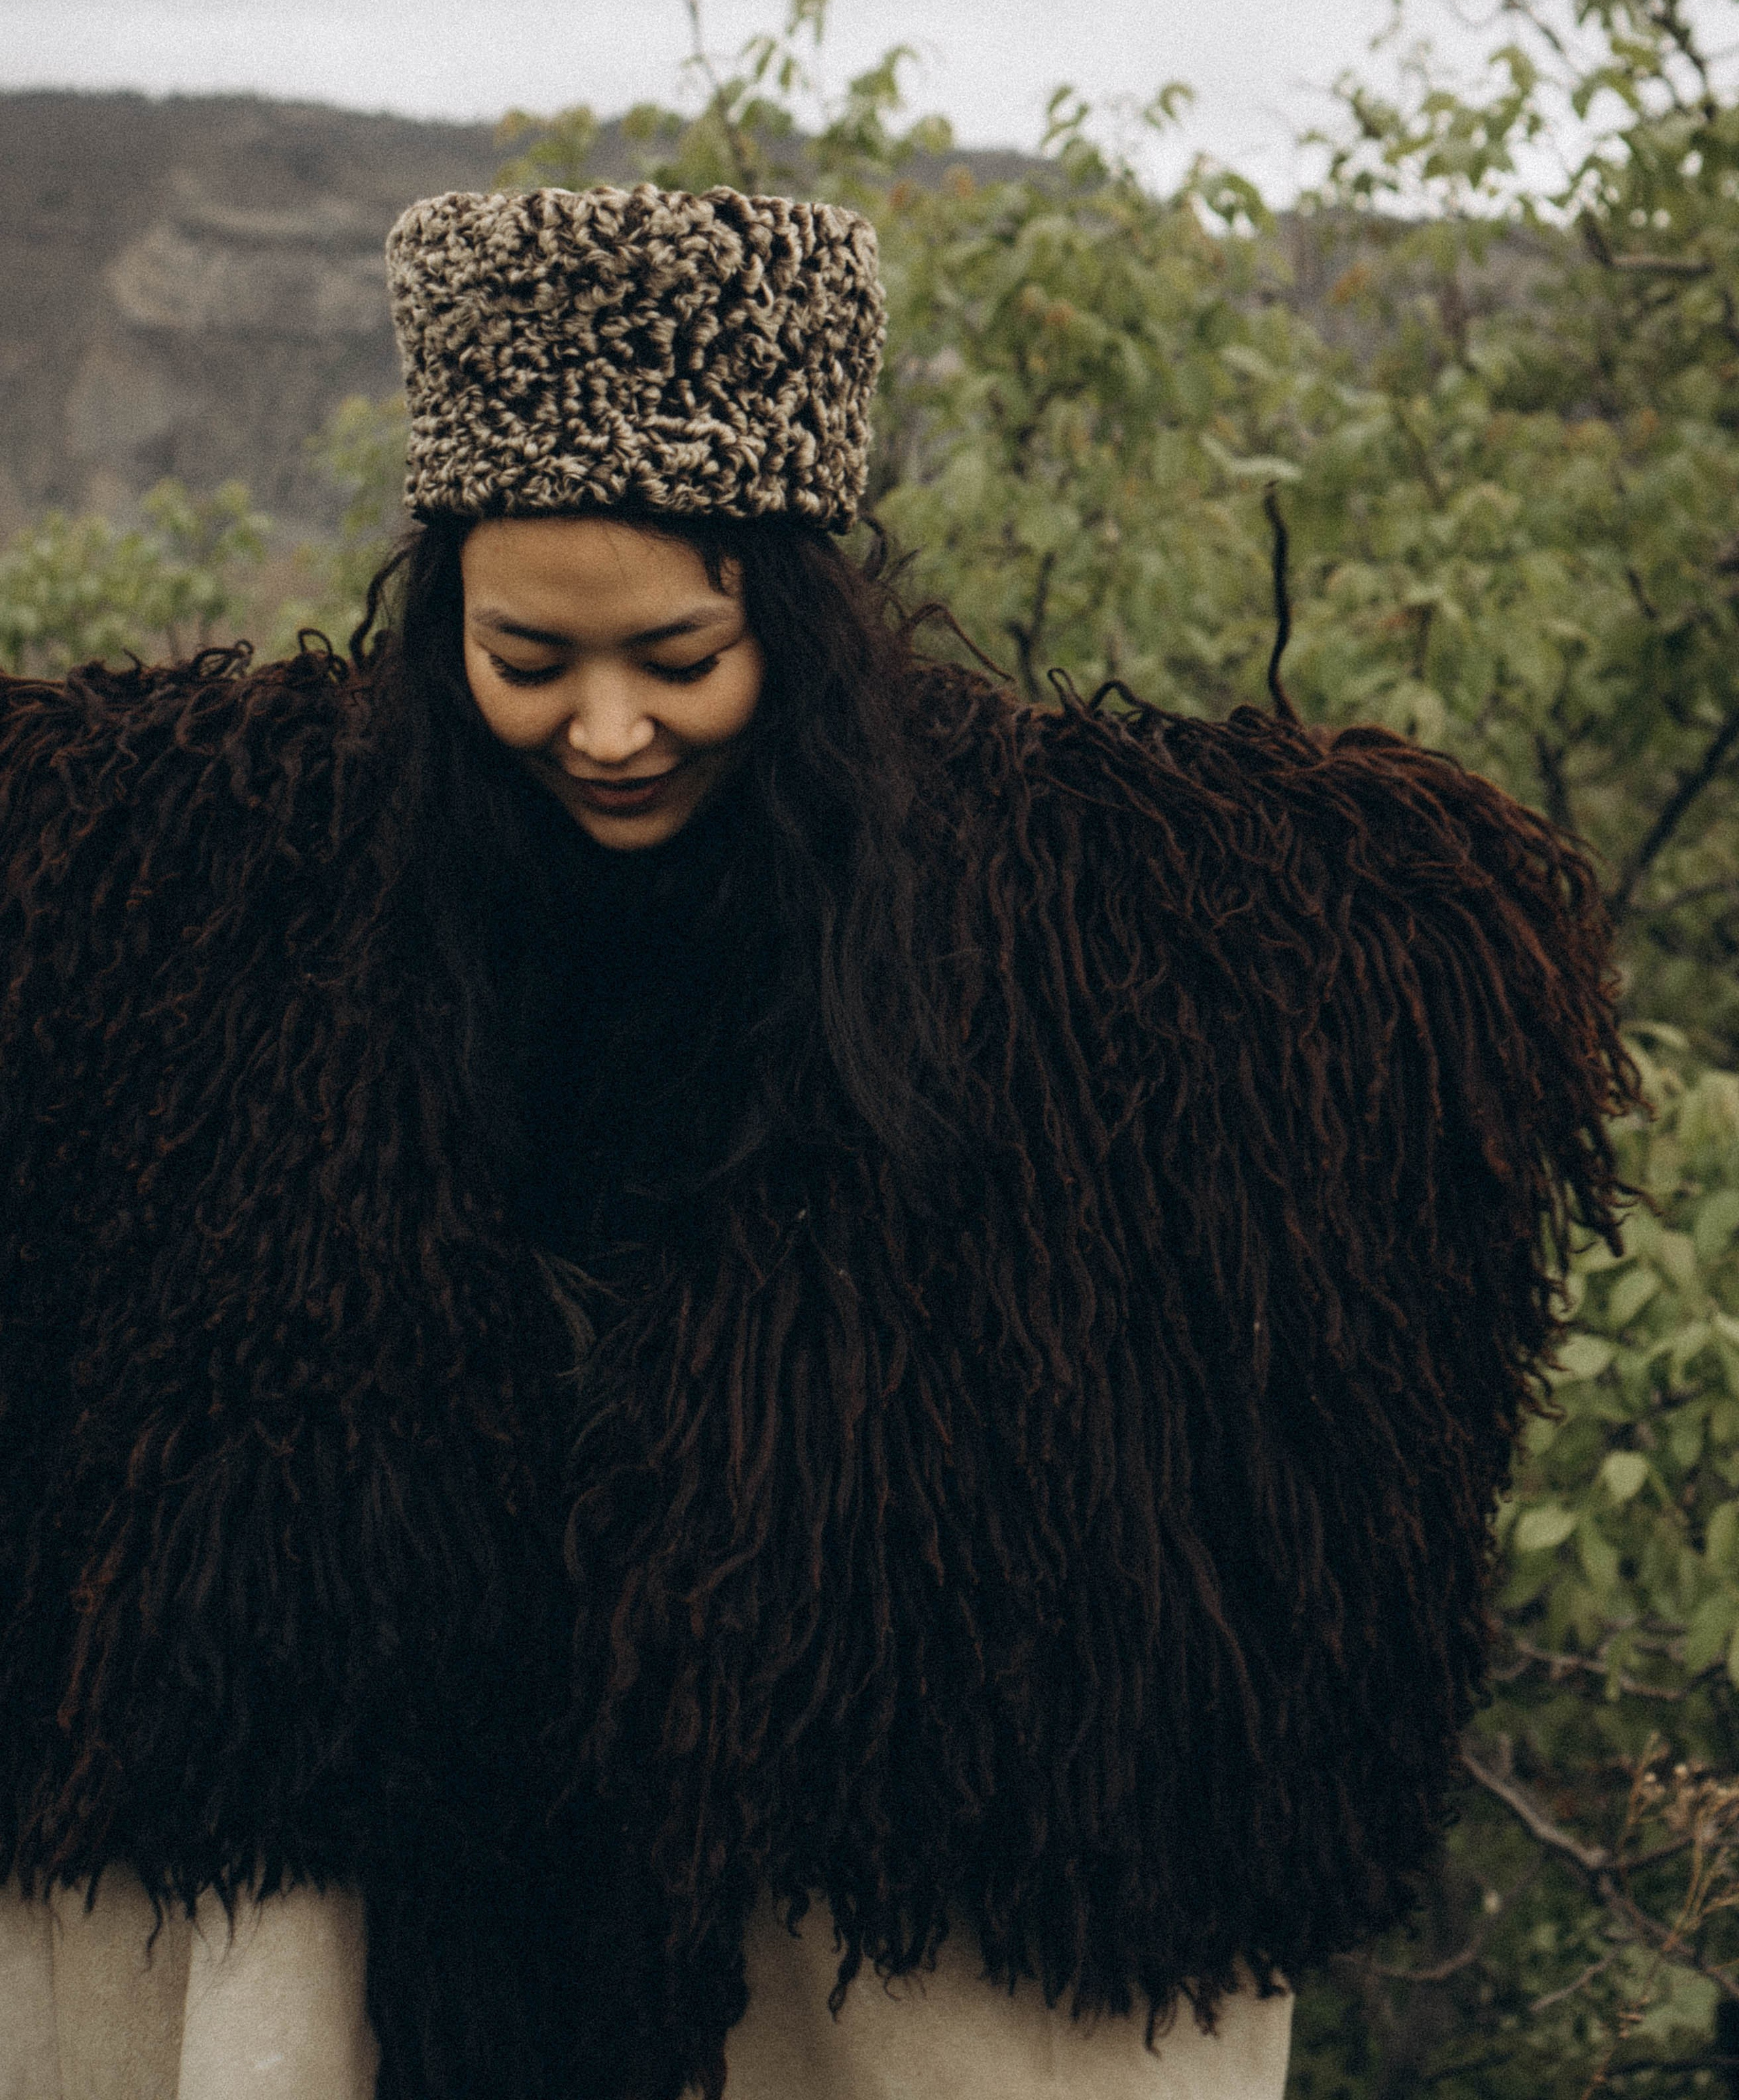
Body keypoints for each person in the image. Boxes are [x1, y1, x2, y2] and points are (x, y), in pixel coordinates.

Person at [0, 183, 1630, 2099]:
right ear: (438, 620)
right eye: (529, 663)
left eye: (679, 662)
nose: (606, 731)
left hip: (789, 1923)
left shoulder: (1041, 951)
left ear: (791, 618)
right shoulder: (240, 906)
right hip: (399, 1836)